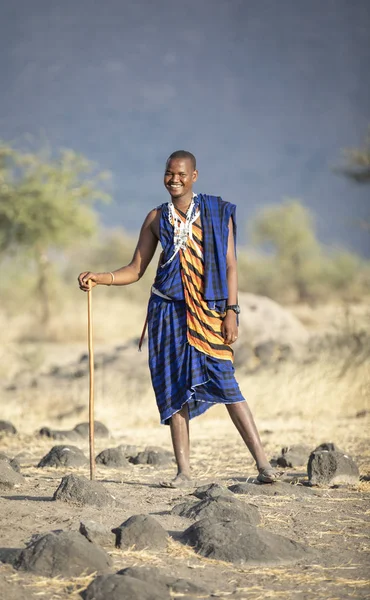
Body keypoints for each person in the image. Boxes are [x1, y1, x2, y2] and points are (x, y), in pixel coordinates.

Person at [78, 150, 278, 487]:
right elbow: (136, 269)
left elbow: (230, 265)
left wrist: (232, 311)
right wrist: (101, 277)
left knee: (226, 382)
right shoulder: (156, 218)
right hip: (166, 312)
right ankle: (184, 472)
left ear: (194, 176)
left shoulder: (216, 213)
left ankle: (264, 466)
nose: (175, 180)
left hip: (208, 312)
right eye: (170, 173)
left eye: (182, 174)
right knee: (174, 388)